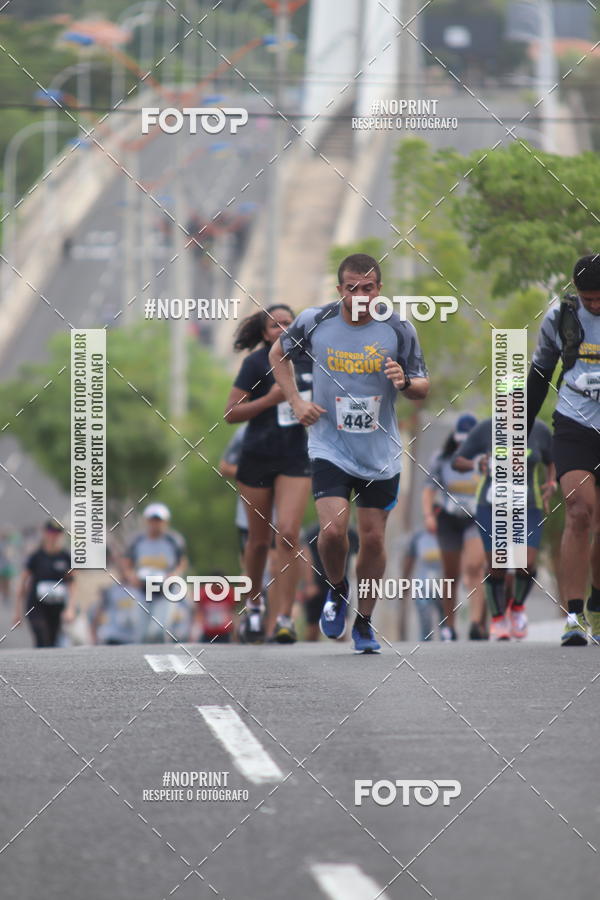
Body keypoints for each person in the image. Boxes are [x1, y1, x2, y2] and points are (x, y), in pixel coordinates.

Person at [270, 252, 429, 653]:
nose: (360, 295)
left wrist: (405, 380)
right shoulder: (314, 321)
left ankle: (364, 622)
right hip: (330, 445)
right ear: (339, 289)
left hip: (380, 453)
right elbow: (278, 355)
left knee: (374, 541)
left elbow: (423, 387)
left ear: (379, 289)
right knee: (334, 531)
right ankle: (338, 589)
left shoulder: (398, 327)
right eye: (351, 288)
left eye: (368, 288)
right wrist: (296, 402)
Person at [224, 304, 313, 645]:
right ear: (264, 333)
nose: (282, 329)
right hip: (257, 457)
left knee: (288, 533)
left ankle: (285, 618)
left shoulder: (309, 361)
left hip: (295, 457)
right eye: (275, 325)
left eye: (289, 324)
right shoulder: (256, 364)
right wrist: (271, 400)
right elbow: (231, 414)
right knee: (258, 541)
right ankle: (255, 604)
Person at [527, 253, 600, 646]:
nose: (595, 305)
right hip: (575, 424)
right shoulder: (561, 317)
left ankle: (598, 607)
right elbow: (540, 375)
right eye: (588, 298)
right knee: (578, 510)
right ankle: (573, 615)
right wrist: (518, 428)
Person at [453, 413, 556, 640]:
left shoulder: (538, 429)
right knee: (497, 565)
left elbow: (553, 460)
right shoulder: (486, 428)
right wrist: (475, 463)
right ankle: (498, 618)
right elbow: (457, 460)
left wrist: (551, 482)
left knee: (525, 563)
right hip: (490, 505)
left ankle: (517, 608)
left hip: (527, 506)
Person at [422, 414, 487, 641]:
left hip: (475, 518)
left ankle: (476, 624)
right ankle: (449, 626)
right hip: (448, 518)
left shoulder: (485, 458)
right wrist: (428, 514)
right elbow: (429, 488)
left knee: (474, 567)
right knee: (451, 573)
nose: (463, 445)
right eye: (460, 440)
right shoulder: (442, 457)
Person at [122, 503, 188, 643]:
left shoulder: (173, 540)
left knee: (157, 631)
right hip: (143, 589)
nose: (155, 524)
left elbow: (182, 562)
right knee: (141, 633)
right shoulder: (138, 541)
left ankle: (163, 657)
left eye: (159, 521)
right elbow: (127, 563)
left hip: (165, 590)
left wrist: (174, 575)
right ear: (147, 521)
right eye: (152, 520)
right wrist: (131, 576)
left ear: (165, 522)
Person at [13, 520, 76, 648]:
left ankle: (48, 667)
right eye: (51, 532)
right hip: (36, 605)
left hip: (56, 607)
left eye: (57, 533)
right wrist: (17, 611)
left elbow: (72, 583)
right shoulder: (36, 557)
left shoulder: (65, 557)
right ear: (45, 534)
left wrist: (71, 608)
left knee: (52, 641)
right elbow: (23, 583)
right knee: (42, 636)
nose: (54, 536)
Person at [298, 522, 359, 641]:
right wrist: (309, 584)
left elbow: (358, 554)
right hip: (317, 585)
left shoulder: (351, 533)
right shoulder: (313, 532)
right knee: (312, 630)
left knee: (341, 632)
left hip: (340, 587)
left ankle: (343, 657)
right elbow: (306, 557)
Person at [91, 552, 144, 645]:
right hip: (114, 637)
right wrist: (94, 636)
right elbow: (98, 614)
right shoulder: (111, 590)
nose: (125, 572)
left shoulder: (141, 590)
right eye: (121, 569)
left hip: (134, 639)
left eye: (127, 568)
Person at [401, 529, 445, 641]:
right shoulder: (418, 537)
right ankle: (425, 644)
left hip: (444, 584)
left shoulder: (449, 533)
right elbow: (409, 561)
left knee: (445, 619)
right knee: (425, 620)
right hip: (422, 585)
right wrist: (405, 583)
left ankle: (447, 642)